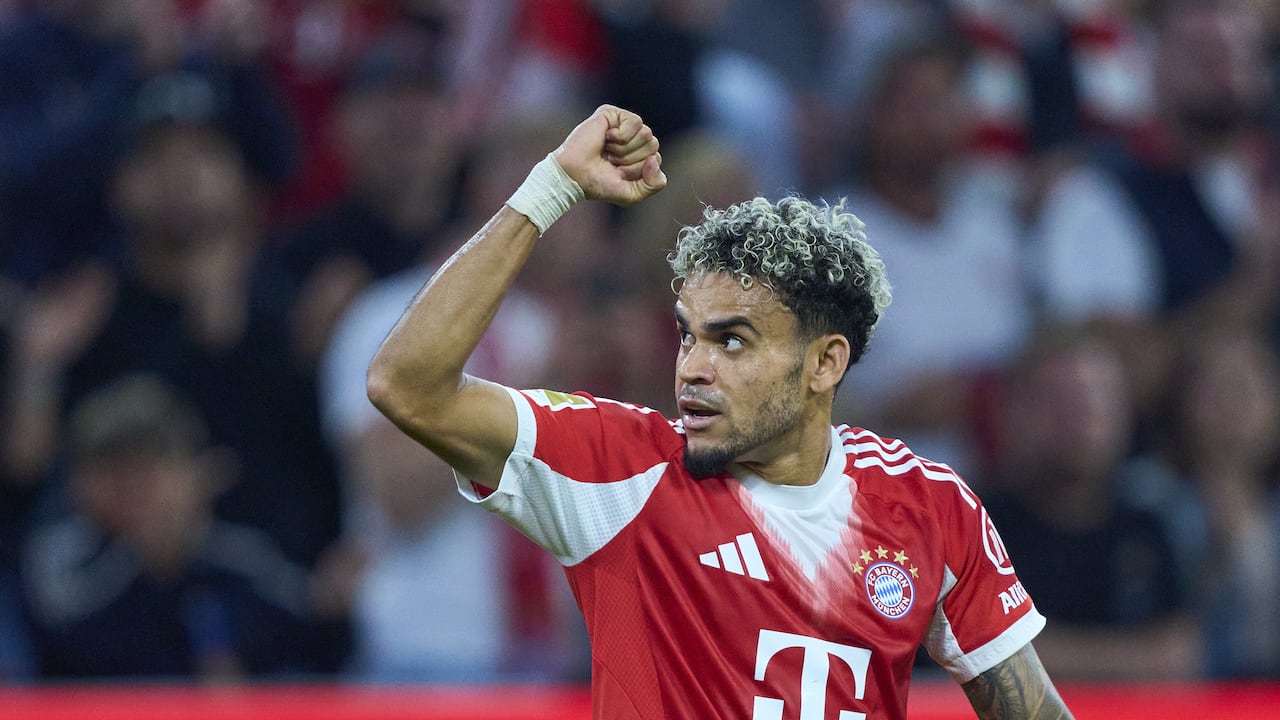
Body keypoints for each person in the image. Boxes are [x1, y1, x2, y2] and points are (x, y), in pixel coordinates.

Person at [366, 105, 1073, 719]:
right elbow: (408, 385)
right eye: (687, 335)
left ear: (824, 363)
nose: (694, 367)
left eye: (732, 340)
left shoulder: (929, 507)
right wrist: (551, 190)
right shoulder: (619, 470)